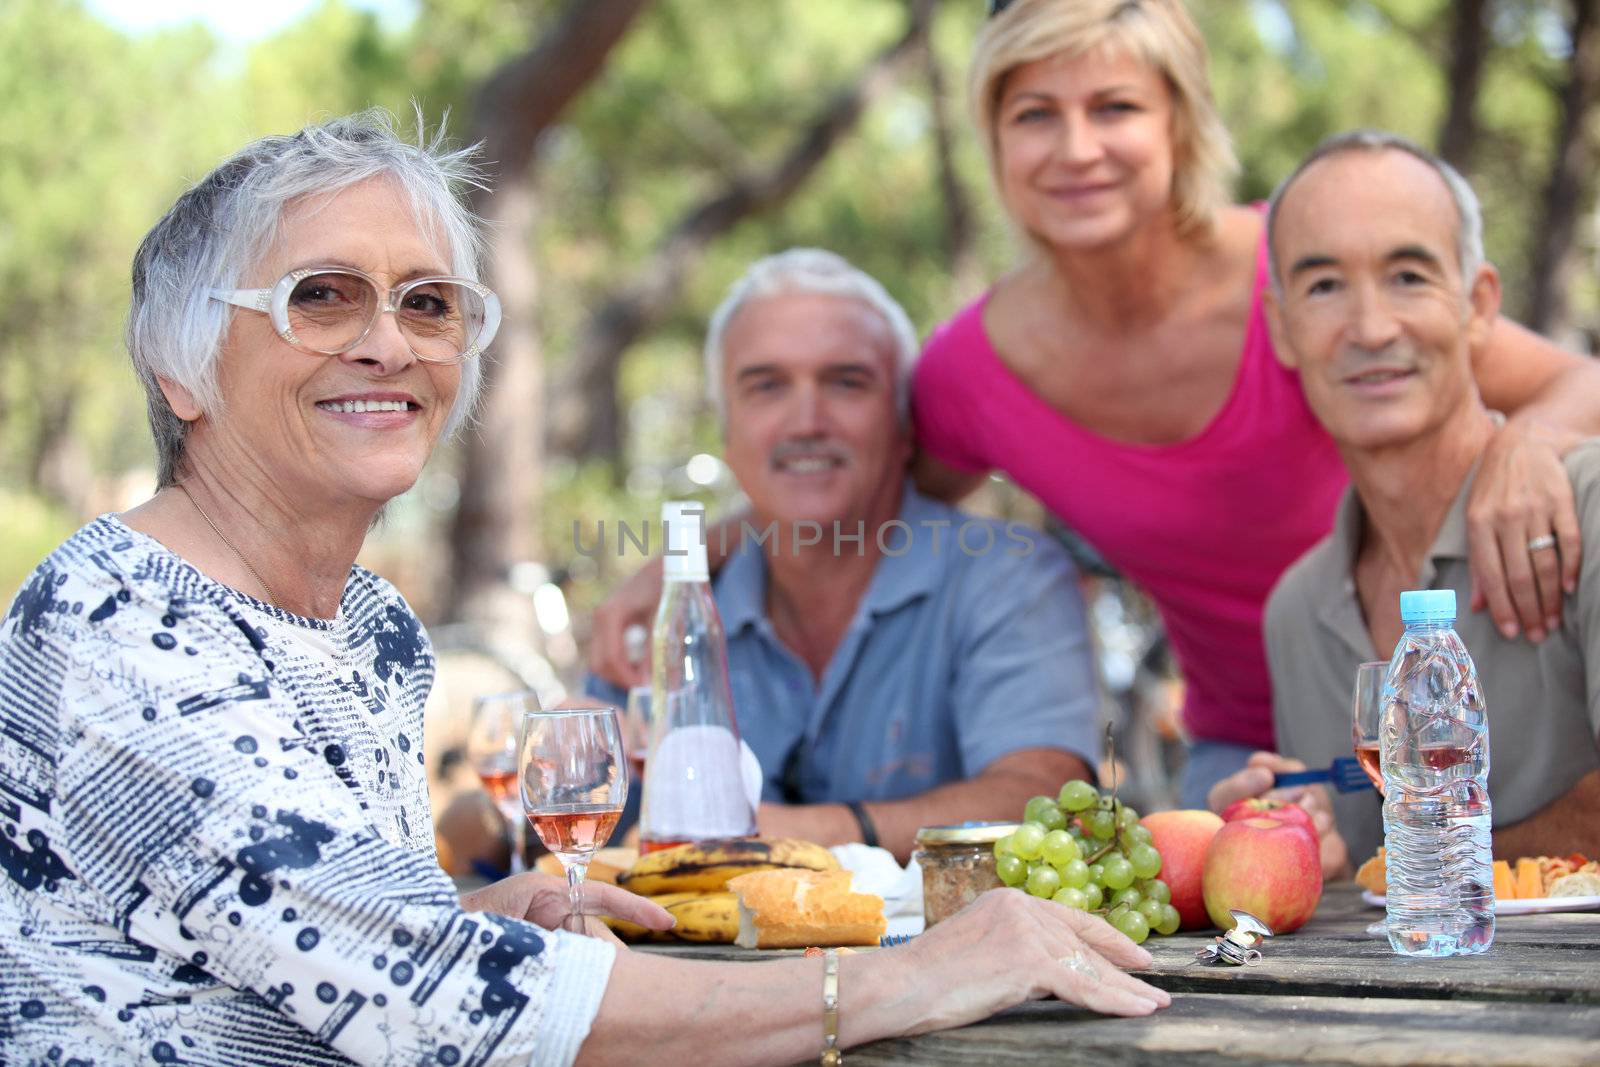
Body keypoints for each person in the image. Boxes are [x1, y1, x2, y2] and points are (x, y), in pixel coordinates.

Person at [0, 111, 1168, 1065]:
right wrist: (896, 980)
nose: (391, 343)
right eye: (321, 295)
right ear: (180, 366)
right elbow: (429, 1009)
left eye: (428, 302)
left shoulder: (370, 626)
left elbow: (282, 951)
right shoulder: (129, 627)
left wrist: (465, 916)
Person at [589, 0, 1600, 810]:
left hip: (1459, 712)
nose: (1076, 148)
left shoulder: (1310, 278)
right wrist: (693, 561)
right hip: (1250, 757)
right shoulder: (971, 372)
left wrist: (1532, 443)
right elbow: (851, 487)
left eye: (1114, 107)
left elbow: (1571, 377)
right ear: (993, 137)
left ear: (1179, 124)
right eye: (1035, 113)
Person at [591, 249, 1100, 861]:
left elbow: (1040, 801)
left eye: (846, 382)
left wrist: (765, 830)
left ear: (905, 424)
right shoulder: (667, 608)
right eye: (767, 386)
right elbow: (573, 816)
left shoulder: (1008, 576)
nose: (807, 420)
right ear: (728, 435)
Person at [1205, 131, 1600, 872]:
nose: (1372, 328)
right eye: (1323, 286)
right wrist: (1284, 833)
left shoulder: (1588, 504)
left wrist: (1420, 864)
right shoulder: (1298, 607)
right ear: (1281, 330)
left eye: (1409, 276)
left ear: (1479, 306)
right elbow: (1355, 876)